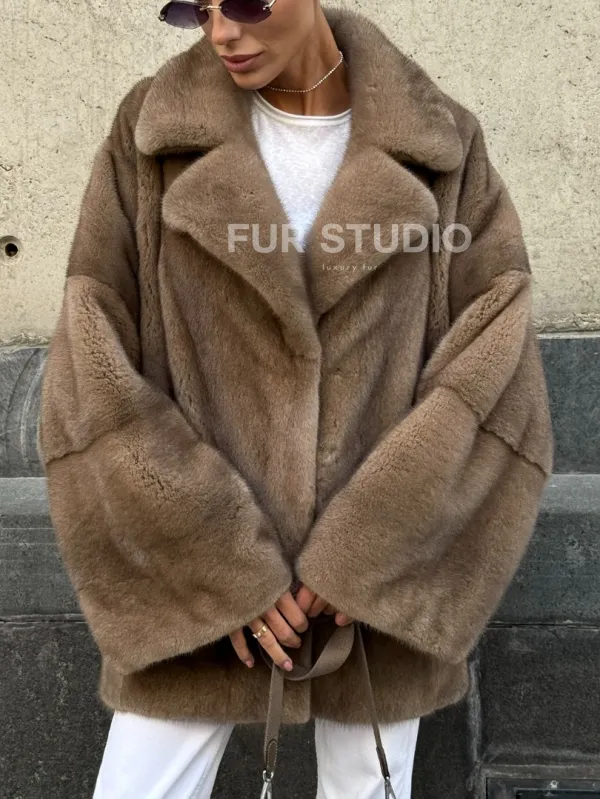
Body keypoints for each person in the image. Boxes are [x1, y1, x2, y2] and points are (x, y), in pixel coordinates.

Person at [37, 1, 555, 797]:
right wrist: (219, 560)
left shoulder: (439, 144)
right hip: (196, 576)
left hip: (370, 592)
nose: (222, 32)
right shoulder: (152, 135)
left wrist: (366, 551)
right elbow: (92, 359)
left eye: (247, 3)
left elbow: (495, 358)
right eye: (196, 9)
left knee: (368, 787)